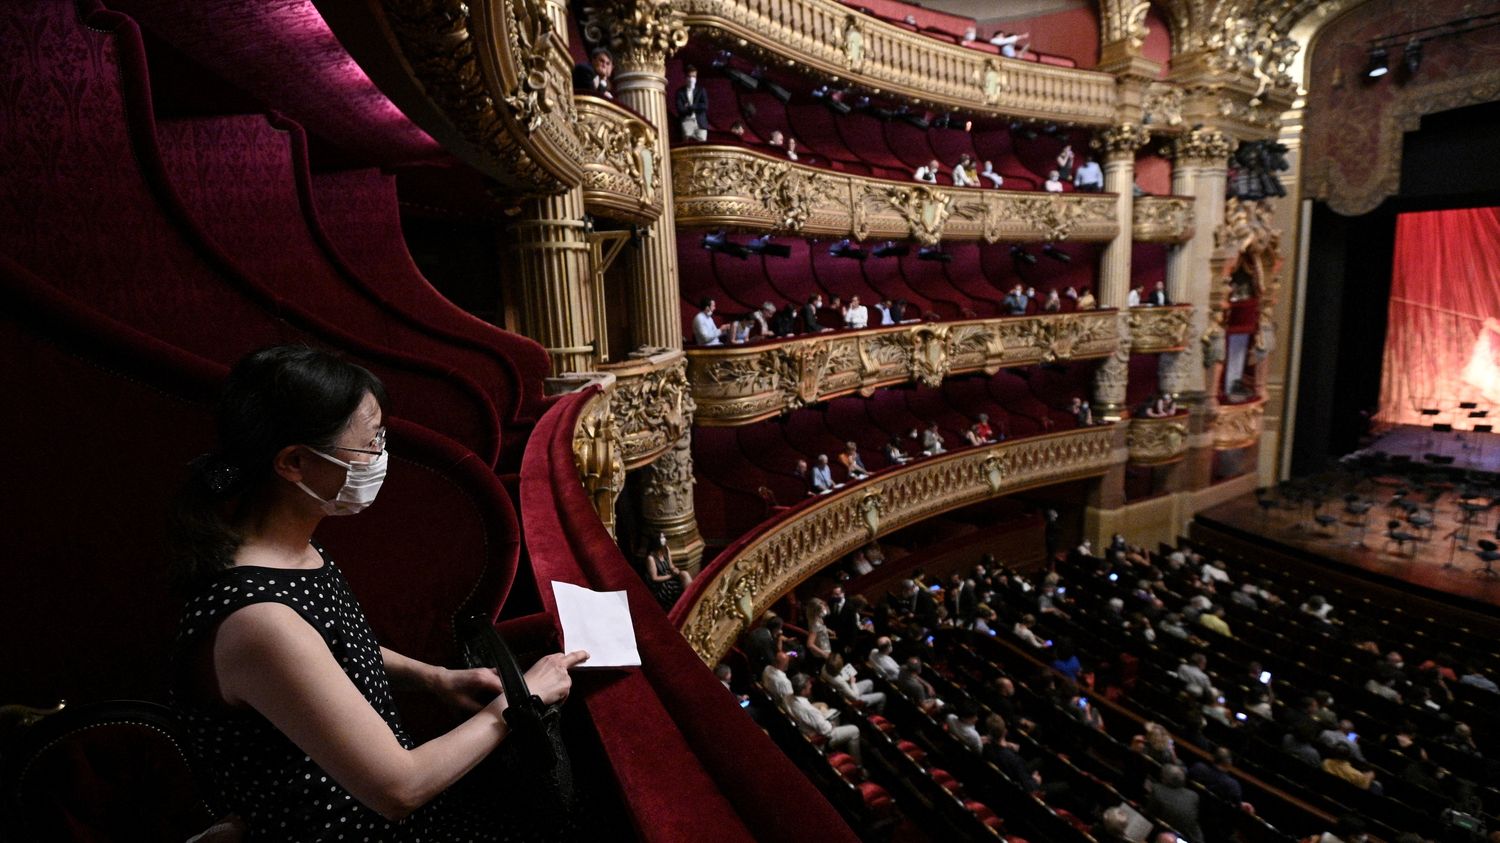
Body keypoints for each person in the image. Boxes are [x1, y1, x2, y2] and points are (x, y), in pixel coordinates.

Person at [170, 346, 587, 838]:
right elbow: (398, 789)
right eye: (370, 443)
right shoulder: (257, 618)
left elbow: (329, 651)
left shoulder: (291, 550)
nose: (380, 458)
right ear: (295, 462)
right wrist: (521, 704)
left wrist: (436, 679)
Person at [787, 673, 862, 763]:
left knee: (832, 711)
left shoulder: (788, 698)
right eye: (808, 685)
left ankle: (839, 746)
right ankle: (858, 765)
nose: (811, 685)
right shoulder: (809, 710)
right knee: (854, 729)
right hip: (820, 739)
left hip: (805, 728)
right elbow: (827, 732)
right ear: (803, 691)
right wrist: (831, 724)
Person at [1146, 765, 1204, 843]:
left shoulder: (1157, 790)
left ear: (1165, 779)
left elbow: (1149, 814)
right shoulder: (1193, 795)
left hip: (1168, 835)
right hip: (1193, 837)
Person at [643, 531, 691, 610]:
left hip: (669, 575)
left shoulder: (666, 549)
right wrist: (670, 576)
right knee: (677, 588)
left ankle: (691, 597)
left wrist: (674, 569)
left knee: (684, 574)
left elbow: (671, 565)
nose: (664, 539)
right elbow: (654, 578)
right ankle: (685, 605)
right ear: (656, 541)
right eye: (662, 537)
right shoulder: (650, 558)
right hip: (660, 583)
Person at [674, 64, 709, 141]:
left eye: (694, 77)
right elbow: (680, 109)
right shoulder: (680, 92)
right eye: (689, 76)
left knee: (702, 145)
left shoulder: (701, 90)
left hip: (700, 122)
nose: (691, 79)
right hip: (687, 122)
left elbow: (705, 106)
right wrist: (696, 107)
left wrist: (690, 106)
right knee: (688, 145)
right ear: (685, 78)